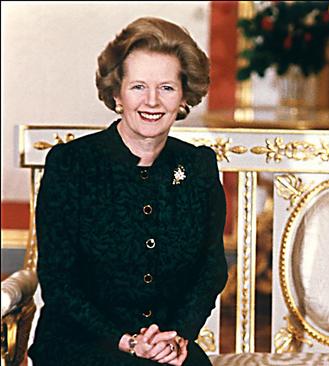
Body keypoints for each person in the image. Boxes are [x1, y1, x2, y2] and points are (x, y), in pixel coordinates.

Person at [28, 17, 228, 366]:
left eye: (166, 87)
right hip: (80, 344)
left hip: (167, 347)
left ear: (183, 96)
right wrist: (126, 342)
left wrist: (179, 335)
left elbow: (210, 270)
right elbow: (59, 281)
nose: (152, 101)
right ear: (117, 94)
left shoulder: (197, 167)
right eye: (138, 87)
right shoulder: (71, 165)